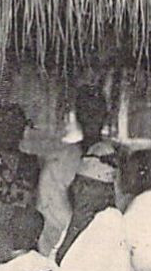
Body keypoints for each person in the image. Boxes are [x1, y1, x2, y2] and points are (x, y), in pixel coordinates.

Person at [28, 87, 119, 256]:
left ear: (106, 115)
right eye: (86, 111)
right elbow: (51, 211)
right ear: (78, 116)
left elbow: (120, 204)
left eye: (97, 111)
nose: (92, 117)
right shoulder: (58, 162)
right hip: (66, 242)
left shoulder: (117, 157)